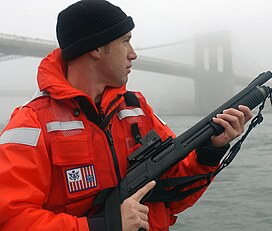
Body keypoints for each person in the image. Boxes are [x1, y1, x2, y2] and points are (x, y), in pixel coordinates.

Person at [0, 0, 253, 230]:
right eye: (125, 41)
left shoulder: (137, 109)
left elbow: (172, 194)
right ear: (96, 48)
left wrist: (210, 149)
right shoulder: (32, 122)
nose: (133, 53)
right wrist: (104, 225)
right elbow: (10, 219)